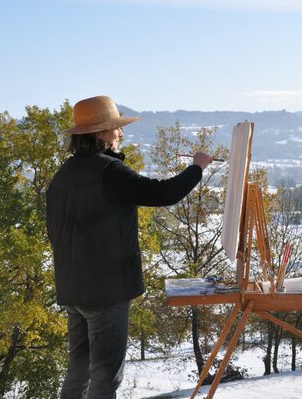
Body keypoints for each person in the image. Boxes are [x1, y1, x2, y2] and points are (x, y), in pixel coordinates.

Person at [46, 95, 212, 398]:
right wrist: (197, 168)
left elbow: (54, 232)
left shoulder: (62, 176)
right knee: (106, 377)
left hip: (73, 290)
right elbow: (164, 193)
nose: (120, 133)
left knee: (78, 373)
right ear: (100, 134)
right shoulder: (109, 172)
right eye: (115, 128)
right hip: (107, 292)